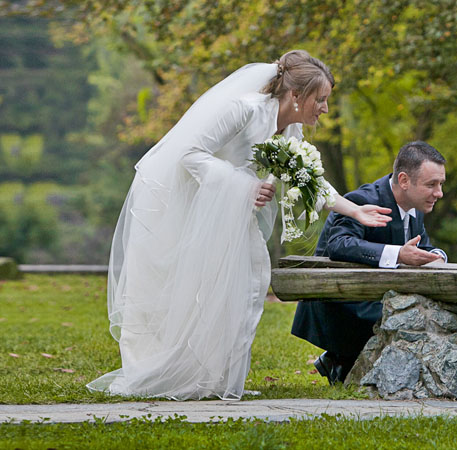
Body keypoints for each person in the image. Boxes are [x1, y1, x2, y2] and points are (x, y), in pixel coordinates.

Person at [87, 50, 392, 401]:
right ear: (296, 96)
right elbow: (189, 154)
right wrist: (244, 186)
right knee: (201, 290)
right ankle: (176, 372)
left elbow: (306, 177)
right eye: (320, 100)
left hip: (234, 216)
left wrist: (354, 211)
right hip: (191, 208)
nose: (324, 108)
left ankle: (218, 378)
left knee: (247, 284)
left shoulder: (290, 128)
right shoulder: (242, 110)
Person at [291, 141, 448, 384]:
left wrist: (437, 256)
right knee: (411, 314)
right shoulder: (363, 199)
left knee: (434, 309)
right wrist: (397, 254)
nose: (439, 193)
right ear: (404, 180)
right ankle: (343, 359)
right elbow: (339, 244)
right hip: (342, 300)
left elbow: (422, 247)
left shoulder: (414, 207)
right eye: (431, 185)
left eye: (440, 184)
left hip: (374, 295)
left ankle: (342, 362)